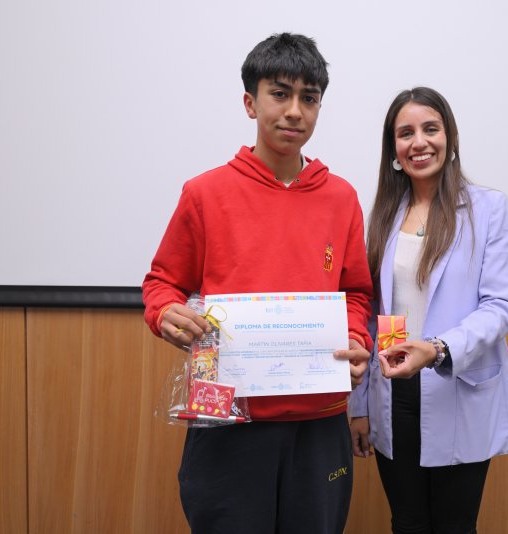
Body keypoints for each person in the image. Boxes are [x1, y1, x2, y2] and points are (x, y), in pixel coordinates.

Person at [142, 33, 374, 534]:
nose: (294, 111)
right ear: (250, 103)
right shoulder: (205, 193)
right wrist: (165, 313)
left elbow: (356, 293)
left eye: (309, 98)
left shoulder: (341, 198)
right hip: (226, 418)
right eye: (279, 94)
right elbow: (162, 283)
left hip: (319, 419)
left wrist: (357, 337)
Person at [349, 87, 508, 534]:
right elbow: (373, 313)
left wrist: (437, 348)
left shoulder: (489, 209)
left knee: (454, 525)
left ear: (450, 137)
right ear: (393, 149)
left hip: (456, 386)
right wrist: (359, 404)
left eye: (431, 128)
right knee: (407, 523)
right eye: (405, 133)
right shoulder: (385, 215)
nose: (419, 142)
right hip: (394, 392)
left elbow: (501, 305)